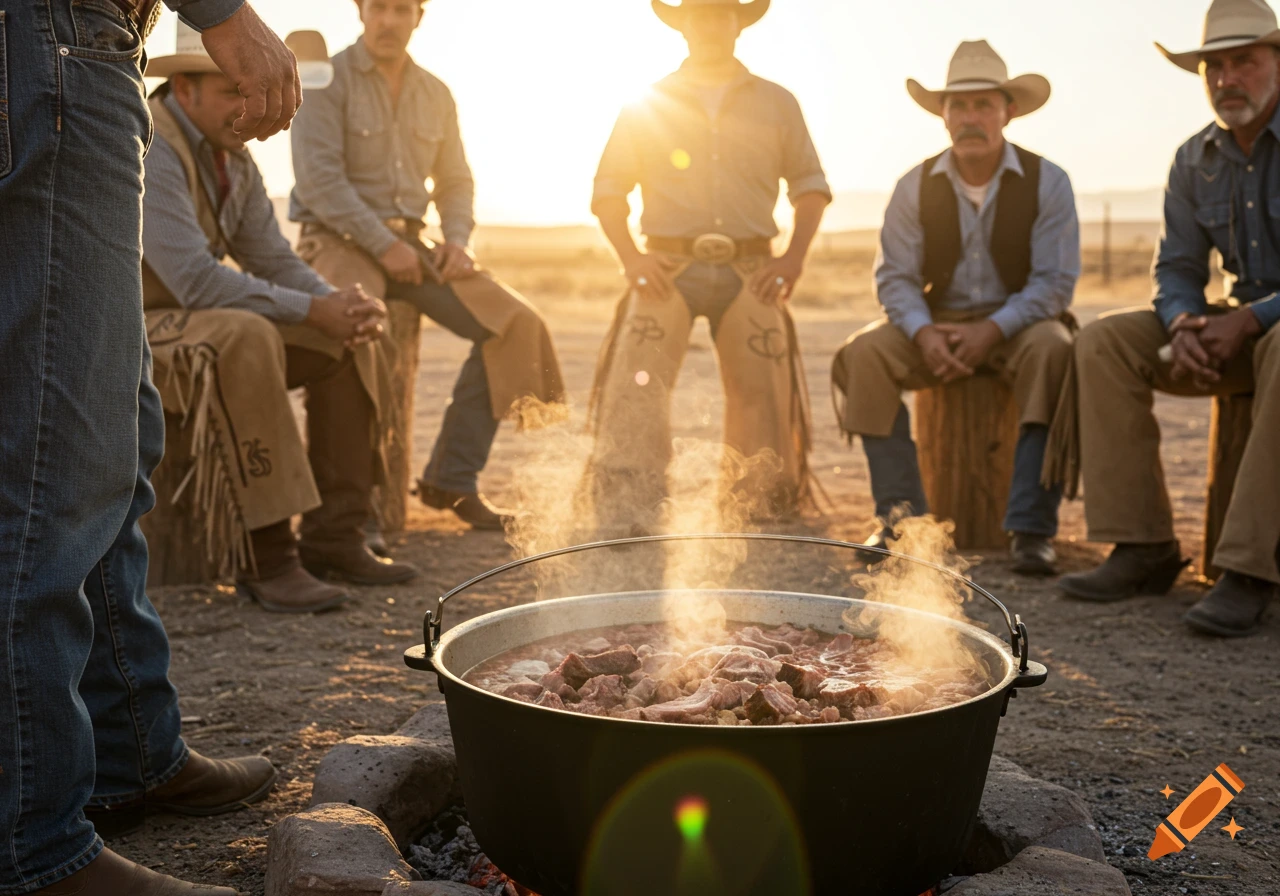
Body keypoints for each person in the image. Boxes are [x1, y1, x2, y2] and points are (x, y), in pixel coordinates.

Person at [0, 0, 299, 892]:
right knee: (55, 462)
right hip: (56, 39)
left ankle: (129, 748)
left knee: (109, 435)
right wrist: (222, 10)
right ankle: (34, 841)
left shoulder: (232, 171)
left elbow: (267, 256)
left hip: (69, 47)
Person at [142, 22, 420, 612]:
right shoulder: (148, 144)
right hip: (129, 326)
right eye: (231, 93)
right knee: (245, 336)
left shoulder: (233, 158)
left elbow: (272, 258)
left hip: (191, 318)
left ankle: (335, 534)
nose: (250, 108)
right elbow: (191, 279)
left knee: (352, 335)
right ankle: (269, 557)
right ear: (185, 89)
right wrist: (312, 309)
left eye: (251, 92)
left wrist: (335, 307)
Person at [288, 0, 565, 532]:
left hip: (416, 244)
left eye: (400, 9)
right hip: (340, 238)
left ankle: (453, 481)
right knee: (357, 330)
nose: (388, 21)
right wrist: (379, 241)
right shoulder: (325, 80)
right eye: (378, 8)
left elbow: (456, 182)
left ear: (419, 15)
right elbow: (320, 182)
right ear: (360, 12)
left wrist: (457, 241)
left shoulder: (436, 93)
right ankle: (349, 510)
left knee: (516, 323)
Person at [1058, 0, 1280, 636]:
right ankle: (1142, 545)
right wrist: (1184, 322)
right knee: (1104, 341)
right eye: (1214, 65)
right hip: (1232, 328)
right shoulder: (1194, 158)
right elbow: (1178, 265)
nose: (1226, 78)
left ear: (1277, 63)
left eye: (1245, 61)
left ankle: (1249, 569)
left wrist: (1254, 319)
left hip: (1270, 332)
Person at [831, 40, 1079, 575]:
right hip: (934, 324)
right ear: (943, 115)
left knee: (1056, 349)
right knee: (866, 354)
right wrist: (923, 333)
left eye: (983, 105)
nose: (971, 118)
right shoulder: (912, 186)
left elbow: (1055, 284)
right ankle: (902, 523)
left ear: (1008, 111)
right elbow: (894, 278)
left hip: (1020, 326)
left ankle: (1031, 528)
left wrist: (994, 328)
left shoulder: (1049, 181)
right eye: (959, 106)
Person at [586, 0, 831, 530]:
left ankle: (756, 500)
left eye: (723, 13)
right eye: (700, 13)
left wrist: (793, 258)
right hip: (668, 263)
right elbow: (608, 191)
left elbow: (810, 186)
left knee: (761, 387)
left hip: (751, 265)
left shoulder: (777, 103)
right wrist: (631, 258)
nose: (712, 24)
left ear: (739, 23)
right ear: (684, 25)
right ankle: (633, 497)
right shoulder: (648, 102)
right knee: (639, 379)